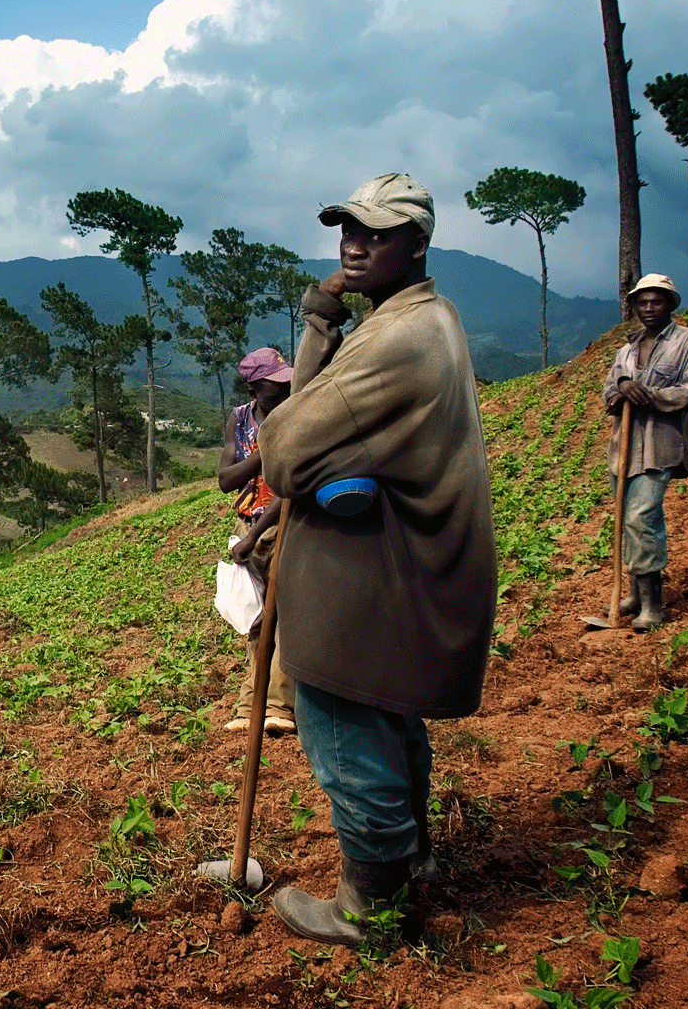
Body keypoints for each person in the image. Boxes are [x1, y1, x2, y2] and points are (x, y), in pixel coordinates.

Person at [258, 173, 497, 948]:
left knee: (340, 722)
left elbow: (283, 453)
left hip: (380, 579)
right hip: (409, 571)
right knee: (390, 717)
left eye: (377, 233)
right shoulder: (427, 316)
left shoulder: (396, 338)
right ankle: (412, 860)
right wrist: (328, 326)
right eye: (348, 230)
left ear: (418, 243)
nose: (355, 245)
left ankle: (371, 908)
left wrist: (317, 333)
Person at [601, 274, 688, 630]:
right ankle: (633, 594)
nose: (649, 308)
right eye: (643, 302)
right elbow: (608, 393)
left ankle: (653, 605)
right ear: (634, 307)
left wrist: (646, 395)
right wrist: (620, 389)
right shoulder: (626, 350)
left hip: (659, 446)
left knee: (640, 518)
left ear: (670, 304)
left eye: (657, 302)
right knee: (627, 521)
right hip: (623, 447)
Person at [216, 346, 296, 734]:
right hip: (247, 526)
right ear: (254, 388)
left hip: (283, 523)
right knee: (255, 621)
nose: (284, 388)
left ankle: (279, 707)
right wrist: (264, 454)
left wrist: (254, 533)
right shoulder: (240, 420)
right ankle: (252, 706)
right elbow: (225, 480)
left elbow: (292, 486)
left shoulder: (295, 415)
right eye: (274, 385)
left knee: (284, 617)